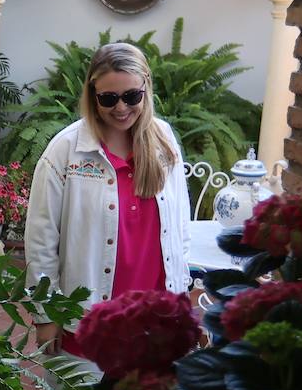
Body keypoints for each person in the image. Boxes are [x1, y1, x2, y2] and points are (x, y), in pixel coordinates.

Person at [23, 42, 191, 352]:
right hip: (88, 323)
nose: (121, 108)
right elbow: (41, 239)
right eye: (109, 98)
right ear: (92, 95)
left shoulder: (164, 142)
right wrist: (46, 315)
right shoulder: (66, 151)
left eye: (132, 96)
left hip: (156, 322)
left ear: (146, 88)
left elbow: (180, 227)